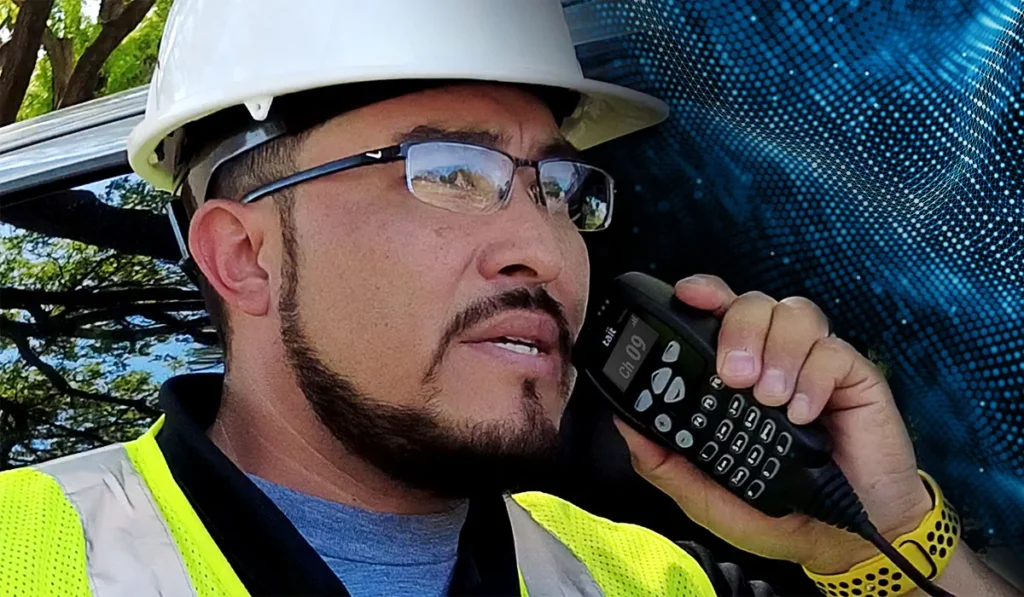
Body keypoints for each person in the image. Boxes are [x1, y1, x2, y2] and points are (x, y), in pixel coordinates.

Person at [0, 1, 1020, 596]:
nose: (542, 247)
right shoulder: (30, 551)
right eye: (448, 171)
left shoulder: (636, 576)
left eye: (560, 188)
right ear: (246, 253)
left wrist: (876, 542)